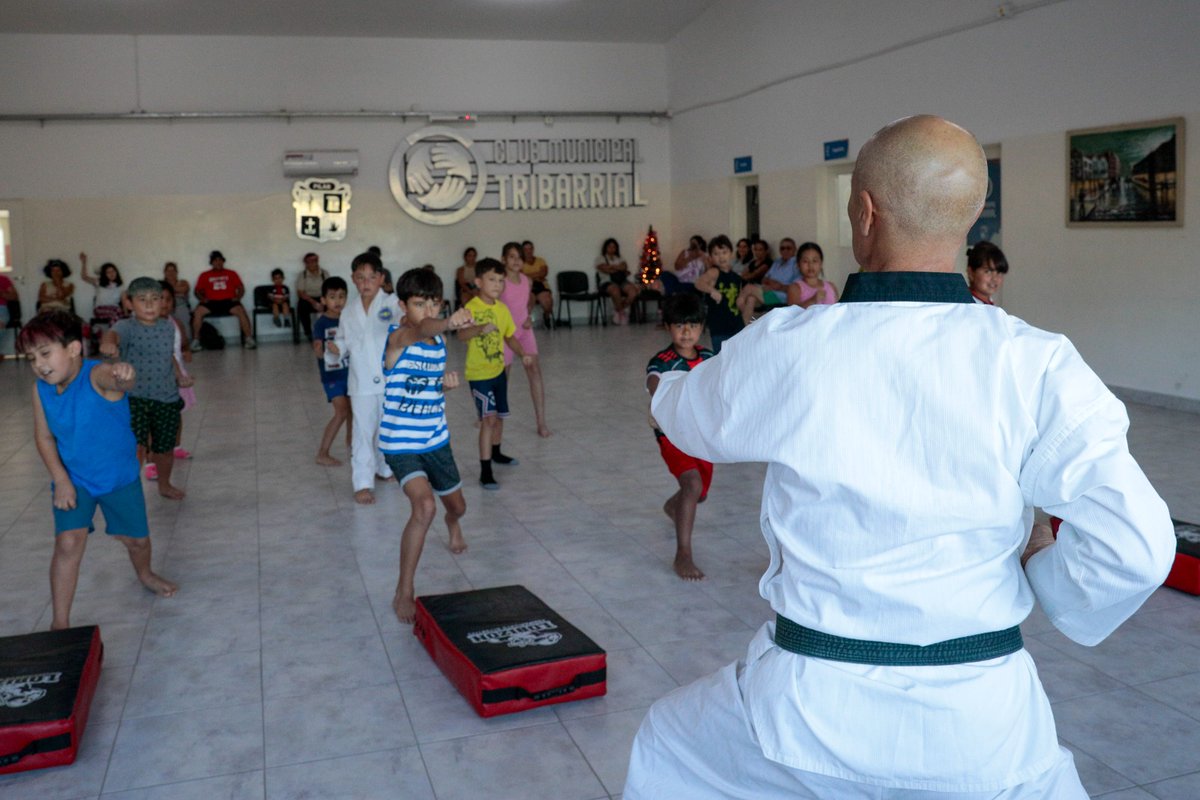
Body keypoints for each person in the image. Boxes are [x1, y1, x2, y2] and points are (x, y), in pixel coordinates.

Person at [625, 115, 1174, 799]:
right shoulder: (1035, 363)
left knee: (667, 746)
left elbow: (687, 419)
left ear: (864, 213)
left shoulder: (794, 344)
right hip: (986, 729)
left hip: (808, 714)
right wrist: (1045, 573)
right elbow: (1139, 549)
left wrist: (667, 382)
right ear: (970, 221)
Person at [20, 310, 177, 630]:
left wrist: (124, 373)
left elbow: (119, 378)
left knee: (136, 542)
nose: (39, 364)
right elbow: (44, 437)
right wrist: (61, 480)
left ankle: (144, 574)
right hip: (74, 479)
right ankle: (60, 623)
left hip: (118, 479)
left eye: (46, 353)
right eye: (31, 357)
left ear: (75, 349)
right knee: (68, 543)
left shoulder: (96, 376)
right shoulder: (41, 390)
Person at [381, 268, 476, 623]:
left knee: (458, 507)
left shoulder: (438, 344)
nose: (427, 311)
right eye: (419, 304)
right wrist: (449, 321)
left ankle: (455, 523)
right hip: (400, 443)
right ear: (403, 306)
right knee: (424, 507)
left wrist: (443, 388)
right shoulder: (399, 337)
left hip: (435, 440)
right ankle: (404, 591)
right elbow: (421, 329)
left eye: (433, 304)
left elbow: (423, 387)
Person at [101, 277, 193, 500]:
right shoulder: (127, 326)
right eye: (143, 300)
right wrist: (109, 343)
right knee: (137, 445)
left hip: (166, 396)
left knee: (165, 446)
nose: (150, 305)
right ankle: (128, 487)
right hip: (136, 397)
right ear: (129, 303)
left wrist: (180, 375)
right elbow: (112, 334)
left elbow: (168, 355)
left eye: (156, 299)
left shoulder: (167, 327)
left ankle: (164, 484)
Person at [645, 293, 713, 581]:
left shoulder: (709, 357)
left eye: (693, 325)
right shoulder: (662, 362)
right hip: (672, 435)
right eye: (679, 325)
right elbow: (654, 385)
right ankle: (683, 554)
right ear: (668, 327)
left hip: (702, 436)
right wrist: (660, 391)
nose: (686, 332)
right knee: (692, 483)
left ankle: (674, 507)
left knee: (698, 493)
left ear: (701, 328)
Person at [458, 257, 534, 490]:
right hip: (479, 375)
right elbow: (461, 336)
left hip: (498, 372)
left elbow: (509, 336)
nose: (498, 285)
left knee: (499, 417)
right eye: (492, 280)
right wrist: (479, 328)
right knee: (488, 420)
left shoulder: (502, 310)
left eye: (501, 281)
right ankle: (485, 470)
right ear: (479, 282)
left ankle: (497, 453)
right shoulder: (471, 308)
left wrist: (523, 354)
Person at [338, 251, 401, 504]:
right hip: (361, 381)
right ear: (353, 279)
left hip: (389, 378)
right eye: (360, 278)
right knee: (363, 432)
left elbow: (404, 322)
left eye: (371, 277)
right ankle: (362, 482)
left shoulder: (392, 303)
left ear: (381, 278)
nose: (365, 283)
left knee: (387, 428)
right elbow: (342, 340)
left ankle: (385, 469)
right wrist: (335, 350)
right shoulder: (349, 311)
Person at [500, 242, 552, 438]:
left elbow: (528, 300)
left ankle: (541, 422)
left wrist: (530, 315)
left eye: (519, 257)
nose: (516, 261)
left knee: (535, 371)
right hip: (506, 334)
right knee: (502, 378)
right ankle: (491, 420)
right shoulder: (500, 281)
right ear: (503, 259)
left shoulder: (527, 281)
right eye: (512, 257)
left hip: (524, 331)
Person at [312, 276, 351, 467]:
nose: (338, 301)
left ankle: (353, 448)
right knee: (341, 412)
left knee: (353, 412)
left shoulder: (349, 319)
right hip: (332, 376)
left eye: (342, 296)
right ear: (323, 300)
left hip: (352, 375)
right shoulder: (321, 323)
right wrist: (320, 350)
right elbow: (318, 350)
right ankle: (323, 452)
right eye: (333, 297)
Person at [158, 281, 194, 465]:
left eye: (168, 299)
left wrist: (186, 351)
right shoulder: (147, 326)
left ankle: (177, 446)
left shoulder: (175, 322)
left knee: (176, 413)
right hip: (157, 379)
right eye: (159, 299)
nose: (164, 303)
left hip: (177, 375)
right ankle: (151, 462)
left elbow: (183, 343)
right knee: (155, 421)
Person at [191, 250, 256, 350]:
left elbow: (241, 288)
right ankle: (196, 341)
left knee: (241, 311)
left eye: (220, 260)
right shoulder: (204, 275)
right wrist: (202, 299)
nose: (218, 262)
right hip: (211, 302)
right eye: (215, 260)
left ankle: (249, 339)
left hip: (228, 301)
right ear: (211, 262)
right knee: (198, 312)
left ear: (223, 261)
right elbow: (197, 291)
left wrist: (238, 298)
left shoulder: (231, 273)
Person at [693, 234, 743, 354]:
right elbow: (698, 283)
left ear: (731, 253)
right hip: (719, 324)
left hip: (736, 322)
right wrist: (712, 290)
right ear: (711, 257)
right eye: (716, 254)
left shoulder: (736, 276)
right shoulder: (714, 272)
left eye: (724, 252)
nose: (721, 257)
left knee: (737, 355)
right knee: (721, 356)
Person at [736, 237, 798, 323]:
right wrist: (770, 284)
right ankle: (747, 325)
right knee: (751, 298)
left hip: (781, 296)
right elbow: (765, 278)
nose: (785, 250)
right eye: (782, 248)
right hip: (767, 290)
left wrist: (777, 286)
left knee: (749, 288)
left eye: (788, 248)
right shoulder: (777, 262)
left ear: (795, 249)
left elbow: (796, 286)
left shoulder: (796, 265)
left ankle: (739, 303)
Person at [78, 252, 127, 331]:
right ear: (104, 274)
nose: (111, 274)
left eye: (113, 271)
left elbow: (124, 301)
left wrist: (127, 315)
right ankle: (113, 335)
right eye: (108, 272)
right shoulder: (99, 282)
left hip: (115, 311)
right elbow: (84, 277)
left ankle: (111, 334)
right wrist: (84, 262)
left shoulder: (120, 286)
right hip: (100, 309)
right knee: (118, 313)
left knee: (119, 314)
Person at [596, 238, 639, 325]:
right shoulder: (601, 258)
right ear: (605, 248)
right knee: (615, 290)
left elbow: (624, 267)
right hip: (607, 281)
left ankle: (619, 309)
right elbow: (605, 269)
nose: (612, 249)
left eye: (614, 247)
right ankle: (621, 313)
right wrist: (617, 267)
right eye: (610, 247)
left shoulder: (619, 257)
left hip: (621, 281)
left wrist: (611, 267)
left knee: (633, 292)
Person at [784, 242, 840, 308]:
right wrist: (812, 300)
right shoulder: (795, 288)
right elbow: (792, 313)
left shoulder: (831, 286)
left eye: (815, 261)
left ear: (821, 263)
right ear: (798, 264)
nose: (810, 265)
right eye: (805, 261)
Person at [294, 252, 328, 340]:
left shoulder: (324, 274)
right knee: (302, 306)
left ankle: (329, 332)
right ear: (305, 263)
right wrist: (314, 303)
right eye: (309, 261)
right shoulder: (302, 275)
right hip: (308, 299)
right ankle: (308, 333)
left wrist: (323, 302)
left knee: (333, 305)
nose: (312, 263)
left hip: (322, 298)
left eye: (314, 261)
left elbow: (329, 290)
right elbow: (300, 293)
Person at [520, 240, 554, 327]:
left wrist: (529, 276)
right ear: (522, 250)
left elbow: (544, 273)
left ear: (533, 249)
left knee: (548, 303)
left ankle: (546, 316)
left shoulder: (540, 260)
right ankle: (526, 323)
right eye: (526, 249)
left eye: (530, 248)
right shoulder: (519, 262)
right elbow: (521, 276)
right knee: (528, 303)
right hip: (528, 288)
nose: (528, 251)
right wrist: (537, 275)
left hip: (541, 286)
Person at [966, 240, 1009, 305]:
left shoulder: (990, 303)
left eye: (999, 273)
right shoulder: (964, 305)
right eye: (988, 271)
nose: (995, 279)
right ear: (971, 273)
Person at [163, 261, 192, 334]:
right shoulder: (161, 284)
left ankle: (187, 343)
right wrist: (176, 291)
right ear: (165, 272)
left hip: (180, 306)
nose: (171, 273)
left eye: (173, 270)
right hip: (165, 307)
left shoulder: (183, 282)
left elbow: (184, 289)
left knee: (184, 325)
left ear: (176, 272)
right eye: (168, 270)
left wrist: (168, 289)